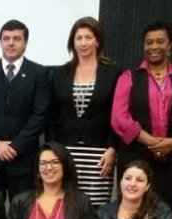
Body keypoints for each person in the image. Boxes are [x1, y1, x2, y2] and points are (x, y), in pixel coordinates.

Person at [111, 20, 172, 210]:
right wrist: (151, 141)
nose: (154, 46)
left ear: (170, 45)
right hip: (135, 157)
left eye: (160, 41)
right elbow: (119, 117)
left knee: (163, 213)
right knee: (131, 210)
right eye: (149, 42)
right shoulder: (129, 77)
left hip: (170, 160)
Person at [0, 19, 51, 201]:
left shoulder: (39, 73)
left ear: (25, 43)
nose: (11, 43)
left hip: (23, 158)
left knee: (22, 215)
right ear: (0, 42)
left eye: (16, 38)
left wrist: (15, 146)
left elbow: (40, 115)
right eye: (6, 38)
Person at [49, 16, 121, 207]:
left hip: (99, 151)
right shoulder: (59, 73)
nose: (83, 43)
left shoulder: (113, 73)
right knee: (66, 203)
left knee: (95, 205)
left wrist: (112, 148)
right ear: (72, 42)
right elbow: (52, 116)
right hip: (66, 150)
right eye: (78, 38)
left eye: (88, 37)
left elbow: (117, 114)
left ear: (98, 41)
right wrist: (53, 150)